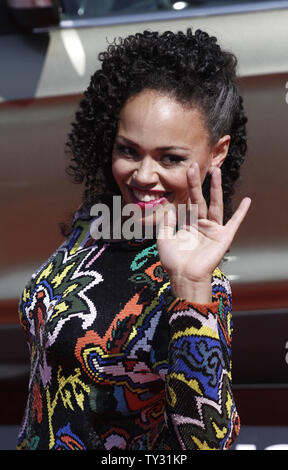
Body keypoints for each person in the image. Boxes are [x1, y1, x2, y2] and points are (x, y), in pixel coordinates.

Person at [17, 29, 251, 450]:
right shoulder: (98, 222)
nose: (142, 176)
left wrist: (192, 290)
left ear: (217, 153)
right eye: (129, 150)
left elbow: (206, 444)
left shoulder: (197, 282)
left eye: (170, 158)